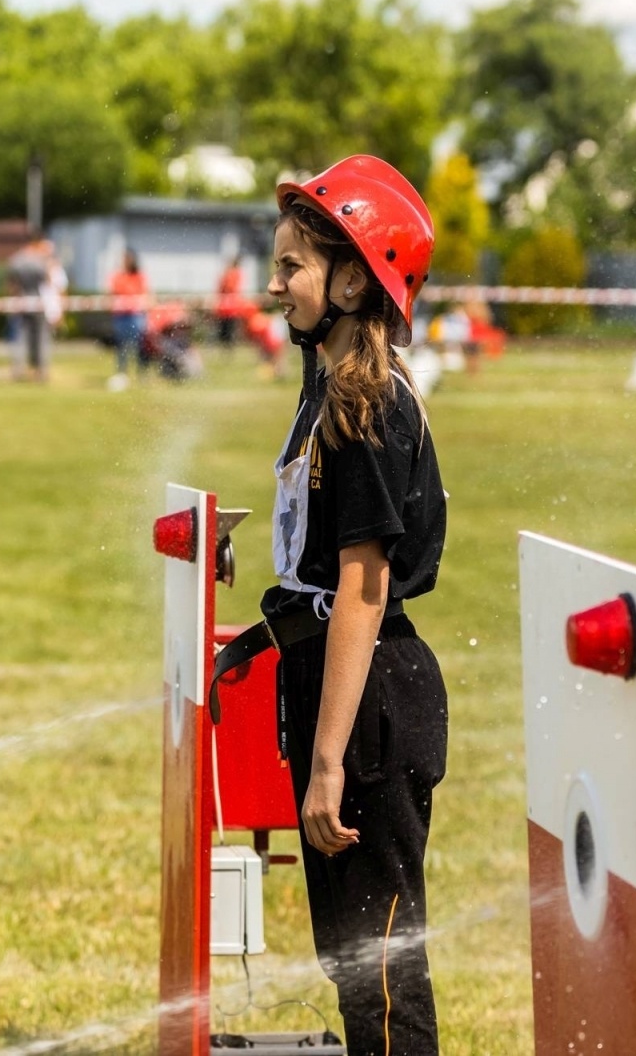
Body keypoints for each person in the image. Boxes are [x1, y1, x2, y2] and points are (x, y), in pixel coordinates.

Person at [217, 155, 447, 1056]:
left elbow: (363, 587)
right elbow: (322, 567)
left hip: (372, 710)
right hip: (335, 689)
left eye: (291, 268)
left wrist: (326, 765)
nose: (273, 286)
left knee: (383, 967)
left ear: (353, 278)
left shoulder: (374, 405)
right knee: (349, 959)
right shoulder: (329, 389)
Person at [7, 237, 52, 383]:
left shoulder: (16, 260)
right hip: (38, 301)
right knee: (41, 338)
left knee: (20, 337)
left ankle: (18, 370)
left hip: (21, 300)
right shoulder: (40, 261)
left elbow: (11, 283)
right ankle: (40, 371)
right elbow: (48, 281)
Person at [108, 250, 150, 391]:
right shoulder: (118, 276)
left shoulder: (139, 276)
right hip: (121, 316)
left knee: (140, 345)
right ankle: (122, 373)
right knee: (121, 346)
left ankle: (141, 373)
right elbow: (114, 292)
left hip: (135, 315)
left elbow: (144, 293)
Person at [214, 255, 245, 351]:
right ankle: (227, 344)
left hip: (228, 304)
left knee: (227, 326)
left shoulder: (230, 273)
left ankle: (227, 344)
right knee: (228, 326)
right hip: (230, 304)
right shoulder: (234, 273)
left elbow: (224, 287)